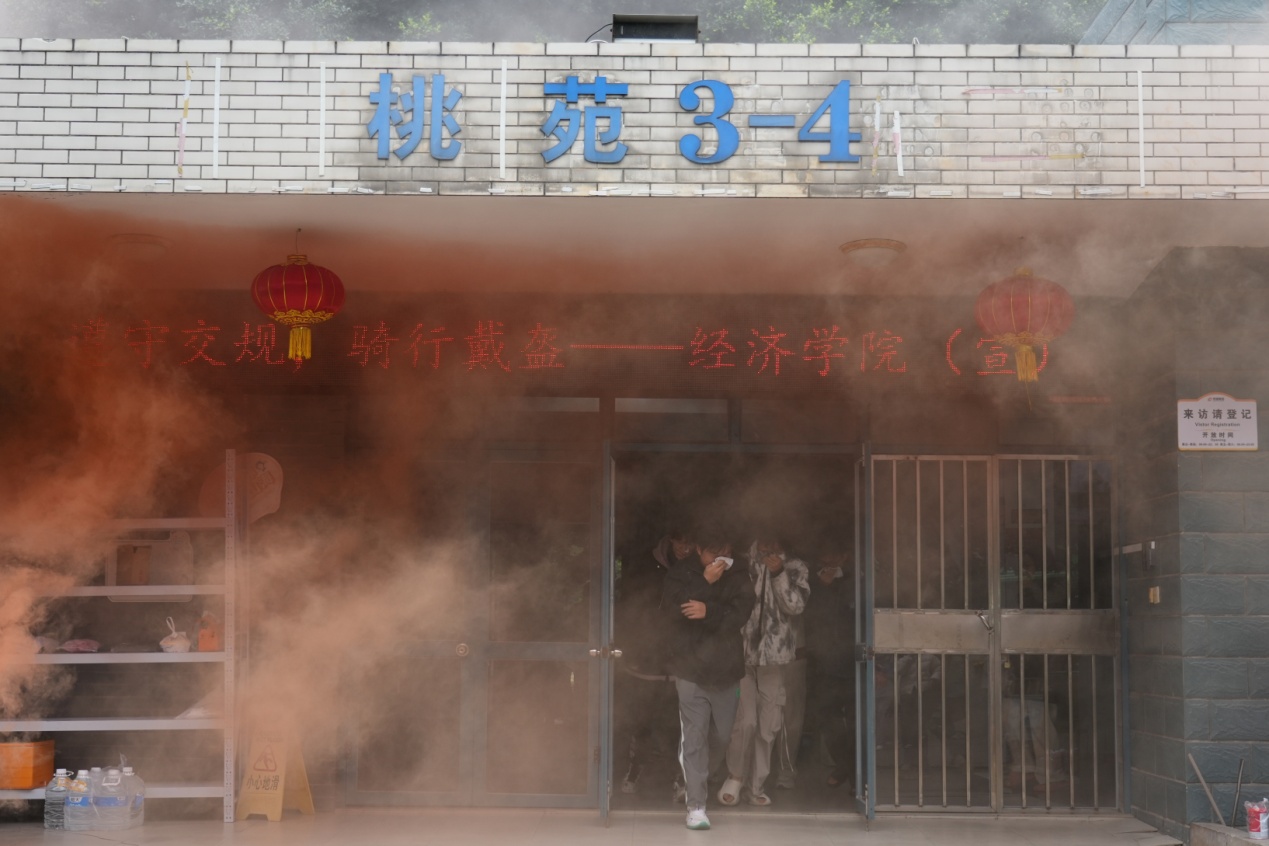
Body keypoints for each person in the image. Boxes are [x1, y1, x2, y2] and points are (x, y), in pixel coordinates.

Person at [662, 531, 754, 831]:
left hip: (726, 670)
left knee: (723, 737)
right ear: (698, 549)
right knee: (695, 737)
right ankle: (696, 806)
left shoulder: (738, 573)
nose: (719, 558)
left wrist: (707, 610)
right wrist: (704, 582)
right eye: (712, 552)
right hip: (690, 669)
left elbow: (740, 615)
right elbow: (672, 612)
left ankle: (694, 778)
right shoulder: (681, 573)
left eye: (725, 550)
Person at [718, 535, 809, 808]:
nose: (769, 550)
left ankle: (756, 785)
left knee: (769, 725)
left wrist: (779, 574)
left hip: (775, 660)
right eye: (765, 544)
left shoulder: (795, 568)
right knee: (745, 721)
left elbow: (795, 606)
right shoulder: (740, 565)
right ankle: (735, 777)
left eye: (775, 545)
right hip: (740, 657)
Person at [616, 527, 694, 796]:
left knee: (679, 722)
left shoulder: (699, 569)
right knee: (642, 719)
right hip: (647, 656)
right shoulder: (646, 565)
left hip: (682, 658)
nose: (685, 549)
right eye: (681, 542)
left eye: (690, 544)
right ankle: (634, 769)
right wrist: (634, 647)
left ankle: (680, 777)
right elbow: (630, 607)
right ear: (671, 540)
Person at [803, 549, 855, 788]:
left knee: (857, 721)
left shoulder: (856, 579)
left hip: (855, 660)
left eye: (836, 555)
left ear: (844, 557)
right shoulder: (811, 581)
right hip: (823, 661)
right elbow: (806, 615)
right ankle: (845, 765)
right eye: (825, 555)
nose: (830, 561)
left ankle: (856, 775)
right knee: (826, 717)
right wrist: (822, 587)